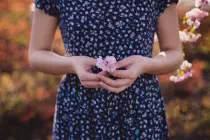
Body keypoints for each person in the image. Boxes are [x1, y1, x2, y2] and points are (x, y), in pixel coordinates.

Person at [29, 0, 183, 139]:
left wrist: (145, 64)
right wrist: (71, 64)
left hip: (139, 107)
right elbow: (37, 53)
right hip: (79, 107)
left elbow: (174, 53)